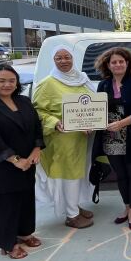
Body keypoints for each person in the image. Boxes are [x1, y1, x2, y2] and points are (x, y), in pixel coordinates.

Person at [0, 64, 44, 259]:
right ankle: (8, 243)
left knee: (25, 199)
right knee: (4, 205)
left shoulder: (23, 101)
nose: (7, 84)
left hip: (27, 161)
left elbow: (36, 127)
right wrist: (14, 159)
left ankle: (24, 232)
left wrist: (37, 149)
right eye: (2, 81)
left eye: (11, 81)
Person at [33, 45, 95, 229]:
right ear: (53, 60)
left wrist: (92, 122)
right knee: (69, 174)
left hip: (84, 138)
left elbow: (92, 105)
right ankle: (71, 215)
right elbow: (37, 111)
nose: (63, 61)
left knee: (80, 173)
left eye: (66, 57)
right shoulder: (47, 83)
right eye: (58, 58)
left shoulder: (82, 79)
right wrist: (55, 122)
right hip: (63, 139)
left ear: (72, 58)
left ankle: (74, 205)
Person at [93, 47, 131, 230]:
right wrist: (90, 124)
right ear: (108, 65)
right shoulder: (103, 85)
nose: (118, 64)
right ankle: (126, 208)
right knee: (121, 175)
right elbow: (96, 111)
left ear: (127, 63)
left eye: (121, 61)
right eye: (114, 62)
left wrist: (123, 123)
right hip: (111, 137)